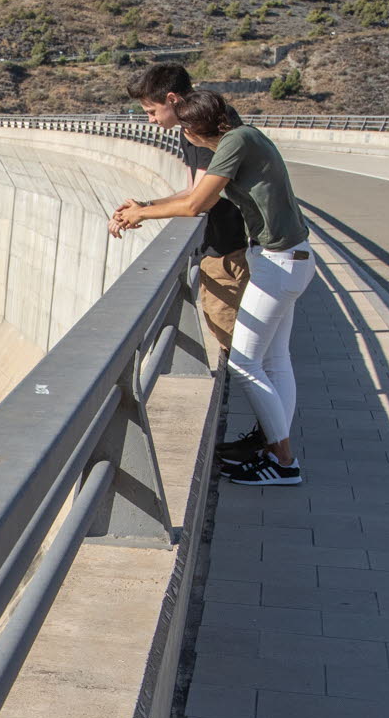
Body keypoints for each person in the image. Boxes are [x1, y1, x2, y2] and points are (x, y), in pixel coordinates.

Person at [111, 92, 314, 487]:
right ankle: (275, 452)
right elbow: (195, 196)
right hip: (288, 260)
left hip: (279, 264)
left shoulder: (234, 143)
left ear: (194, 129)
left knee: (244, 364)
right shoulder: (243, 137)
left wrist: (140, 213)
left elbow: (195, 205)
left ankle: (285, 462)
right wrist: (146, 205)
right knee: (274, 361)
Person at [123, 63, 251, 361]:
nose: (151, 120)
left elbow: (200, 200)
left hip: (228, 252)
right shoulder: (188, 130)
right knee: (234, 342)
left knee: (236, 348)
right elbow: (193, 188)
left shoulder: (209, 125)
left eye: (152, 111)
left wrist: (142, 215)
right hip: (216, 248)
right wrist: (148, 205)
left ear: (171, 99)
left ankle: (259, 401)